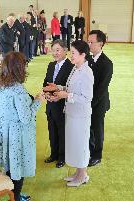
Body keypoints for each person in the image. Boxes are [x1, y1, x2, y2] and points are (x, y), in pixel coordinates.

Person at [0, 52, 44, 201]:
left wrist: (29, 99)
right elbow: (26, 118)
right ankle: (17, 197)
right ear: (19, 68)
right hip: (17, 135)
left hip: (4, 130)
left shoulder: (0, 84)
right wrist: (38, 100)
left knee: (9, 166)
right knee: (17, 169)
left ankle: (14, 196)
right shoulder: (18, 89)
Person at [47, 40, 94, 186]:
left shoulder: (87, 72)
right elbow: (70, 88)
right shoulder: (75, 68)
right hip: (72, 113)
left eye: (73, 53)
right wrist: (58, 87)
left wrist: (66, 95)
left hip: (80, 115)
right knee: (75, 144)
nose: (71, 55)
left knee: (81, 145)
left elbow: (87, 97)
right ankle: (78, 172)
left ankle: (83, 176)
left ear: (83, 55)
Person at [43, 40, 73, 168]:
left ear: (65, 50)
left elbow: (70, 87)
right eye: (53, 50)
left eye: (57, 50)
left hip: (62, 105)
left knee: (62, 132)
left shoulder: (71, 67)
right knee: (52, 130)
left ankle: (62, 157)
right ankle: (53, 154)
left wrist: (58, 96)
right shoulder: (50, 65)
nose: (54, 53)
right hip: (50, 105)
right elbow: (45, 83)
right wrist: (47, 94)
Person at [87, 30, 113, 167]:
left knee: (97, 129)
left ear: (101, 44)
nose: (89, 44)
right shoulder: (88, 59)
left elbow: (101, 88)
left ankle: (97, 155)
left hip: (98, 103)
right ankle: (90, 151)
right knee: (89, 128)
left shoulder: (107, 63)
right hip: (87, 102)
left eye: (92, 42)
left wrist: (90, 104)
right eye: (88, 41)